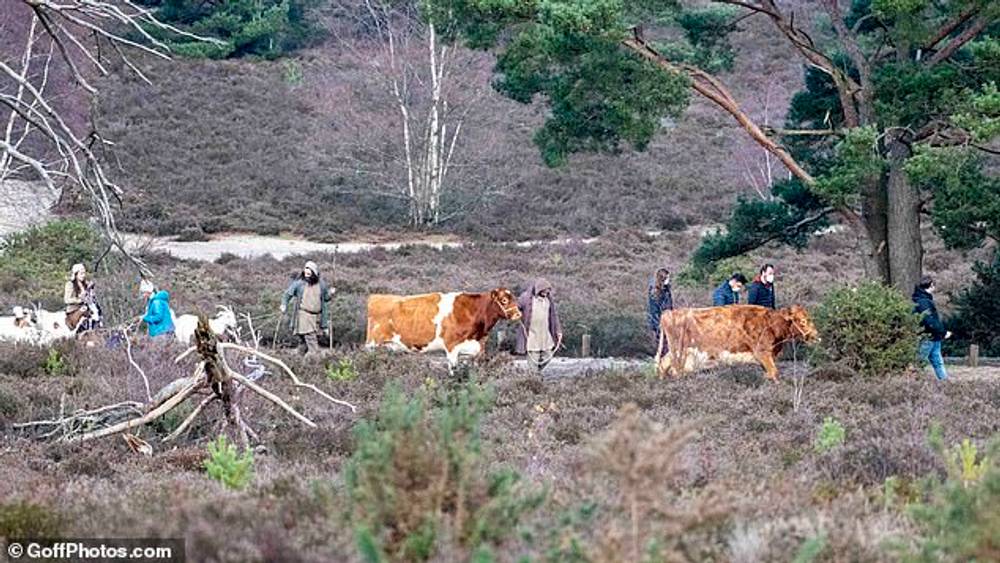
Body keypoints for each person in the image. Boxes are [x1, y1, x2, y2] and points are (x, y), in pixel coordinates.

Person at [281, 260, 335, 356]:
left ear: (314, 273)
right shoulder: (299, 283)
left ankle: (296, 361)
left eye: (309, 272)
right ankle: (310, 363)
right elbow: (287, 294)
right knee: (313, 347)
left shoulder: (321, 285)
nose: (307, 274)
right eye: (305, 271)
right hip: (303, 316)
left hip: (315, 317)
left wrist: (330, 293)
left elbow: (326, 298)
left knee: (304, 344)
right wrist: (284, 304)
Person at [515, 278, 563, 370]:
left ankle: (537, 372)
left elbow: (554, 316)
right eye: (545, 290)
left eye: (548, 290)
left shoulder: (548, 300)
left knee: (548, 356)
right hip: (531, 334)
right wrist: (516, 314)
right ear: (539, 289)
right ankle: (533, 375)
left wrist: (558, 330)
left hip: (545, 334)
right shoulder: (526, 298)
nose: (547, 292)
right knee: (533, 359)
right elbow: (515, 307)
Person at [912, 276, 950, 381]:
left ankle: (945, 382)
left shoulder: (923, 299)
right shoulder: (923, 301)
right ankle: (915, 383)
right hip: (928, 337)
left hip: (933, 337)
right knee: (920, 363)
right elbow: (930, 321)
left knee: (937, 361)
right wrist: (943, 332)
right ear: (930, 285)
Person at [64, 263, 101, 332]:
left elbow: (90, 295)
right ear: (76, 274)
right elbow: (67, 300)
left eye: (84, 273)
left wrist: (91, 290)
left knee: (96, 311)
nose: (83, 275)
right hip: (74, 310)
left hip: (87, 306)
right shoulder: (70, 284)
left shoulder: (86, 283)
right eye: (81, 274)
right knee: (84, 310)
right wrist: (79, 300)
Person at [647, 268, 673, 345]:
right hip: (660, 323)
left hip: (667, 321)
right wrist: (659, 327)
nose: (669, 280)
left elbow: (669, 305)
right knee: (662, 344)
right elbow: (654, 311)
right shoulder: (654, 292)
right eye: (667, 278)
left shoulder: (666, 289)